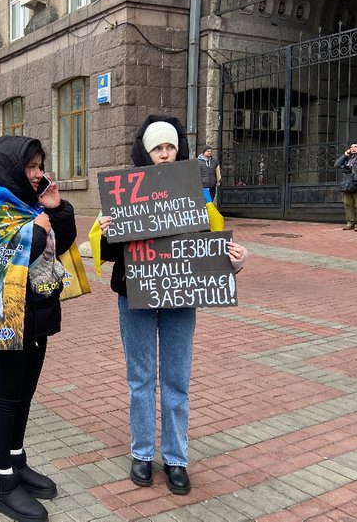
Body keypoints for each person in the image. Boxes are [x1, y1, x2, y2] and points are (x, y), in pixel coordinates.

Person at [97, 116, 247, 496]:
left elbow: (210, 243)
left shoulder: (195, 191)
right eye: (157, 149)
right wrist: (111, 229)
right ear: (145, 154)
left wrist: (234, 258)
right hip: (136, 295)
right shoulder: (123, 192)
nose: (164, 155)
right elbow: (103, 250)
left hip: (181, 296)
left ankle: (176, 458)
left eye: (169, 148)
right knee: (141, 379)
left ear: (177, 150)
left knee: (177, 380)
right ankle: (143, 453)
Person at [0, 136, 76, 522]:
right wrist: (38, 229)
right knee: (7, 397)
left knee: (25, 395)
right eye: (30, 167)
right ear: (11, 168)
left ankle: (17, 461)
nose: (38, 173)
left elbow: (62, 247)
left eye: (40, 165)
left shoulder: (28, 204)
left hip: (36, 313)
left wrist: (56, 210)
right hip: (5, 314)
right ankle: (2, 482)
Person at [335, 143, 357, 231]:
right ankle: (350, 223)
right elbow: (337, 165)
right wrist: (345, 156)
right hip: (347, 184)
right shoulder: (348, 158)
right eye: (351, 147)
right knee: (347, 204)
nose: (353, 148)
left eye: (356, 146)